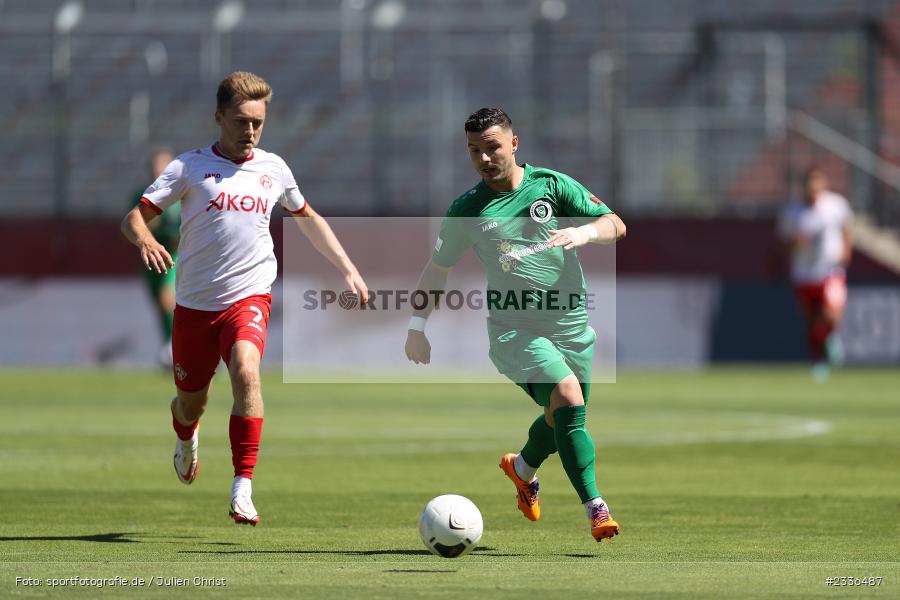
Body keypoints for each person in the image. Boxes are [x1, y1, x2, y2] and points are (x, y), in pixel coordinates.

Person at [121, 71, 368, 525]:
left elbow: (308, 218)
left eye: (258, 122)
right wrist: (145, 241)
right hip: (194, 306)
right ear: (219, 118)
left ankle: (243, 486)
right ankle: (185, 433)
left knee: (247, 372)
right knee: (190, 401)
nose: (250, 131)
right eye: (241, 121)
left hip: (249, 297)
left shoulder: (273, 169)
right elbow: (133, 217)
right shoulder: (189, 167)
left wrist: (348, 268)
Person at [404, 108, 627, 542]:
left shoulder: (551, 185)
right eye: (474, 151)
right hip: (514, 329)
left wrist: (581, 234)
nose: (484, 158)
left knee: (562, 414)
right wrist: (417, 325)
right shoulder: (466, 210)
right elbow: (437, 269)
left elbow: (615, 224)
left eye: (492, 147)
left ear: (514, 143)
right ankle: (596, 508)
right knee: (567, 396)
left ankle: (522, 468)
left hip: (571, 324)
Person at [778, 166, 853, 381]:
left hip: (830, 270)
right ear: (804, 187)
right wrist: (796, 244)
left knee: (830, 313)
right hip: (804, 273)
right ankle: (817, 361)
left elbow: (847, 227)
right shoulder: (793, 212)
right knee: (811, 321)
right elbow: (783, 243)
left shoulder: (835, 205)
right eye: (810, 183)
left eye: (817, 183)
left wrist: (846, 249)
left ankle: (831, 336)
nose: (814, 188)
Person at [132, 148, 179, 368]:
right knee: (160, 305)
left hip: (173, 255)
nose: (158, 170)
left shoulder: (180, 194)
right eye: (155, 166)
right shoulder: (140, 196)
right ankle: (169, 347)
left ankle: (176, 348)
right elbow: (131, 226)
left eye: (163, 166)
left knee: (166, 299)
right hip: (149, 257)